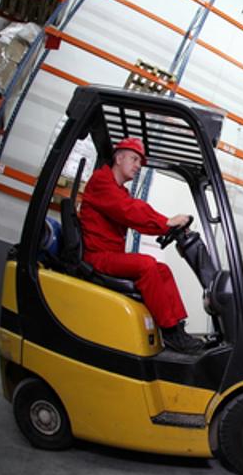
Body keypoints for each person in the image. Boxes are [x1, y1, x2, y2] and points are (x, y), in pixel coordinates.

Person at [79, 137, 204, 354]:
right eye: (135, 159)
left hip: (110, 254)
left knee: (161, 269)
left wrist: (165, 226)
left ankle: (177, 328)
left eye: (139, 161)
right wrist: (166, 222)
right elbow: (130, 211)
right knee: (146, 264)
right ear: (119, 158)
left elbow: (134, 213)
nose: (138, 166)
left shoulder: (119, 191)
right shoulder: (101, 182)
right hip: (98, 256)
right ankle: (169, 330)